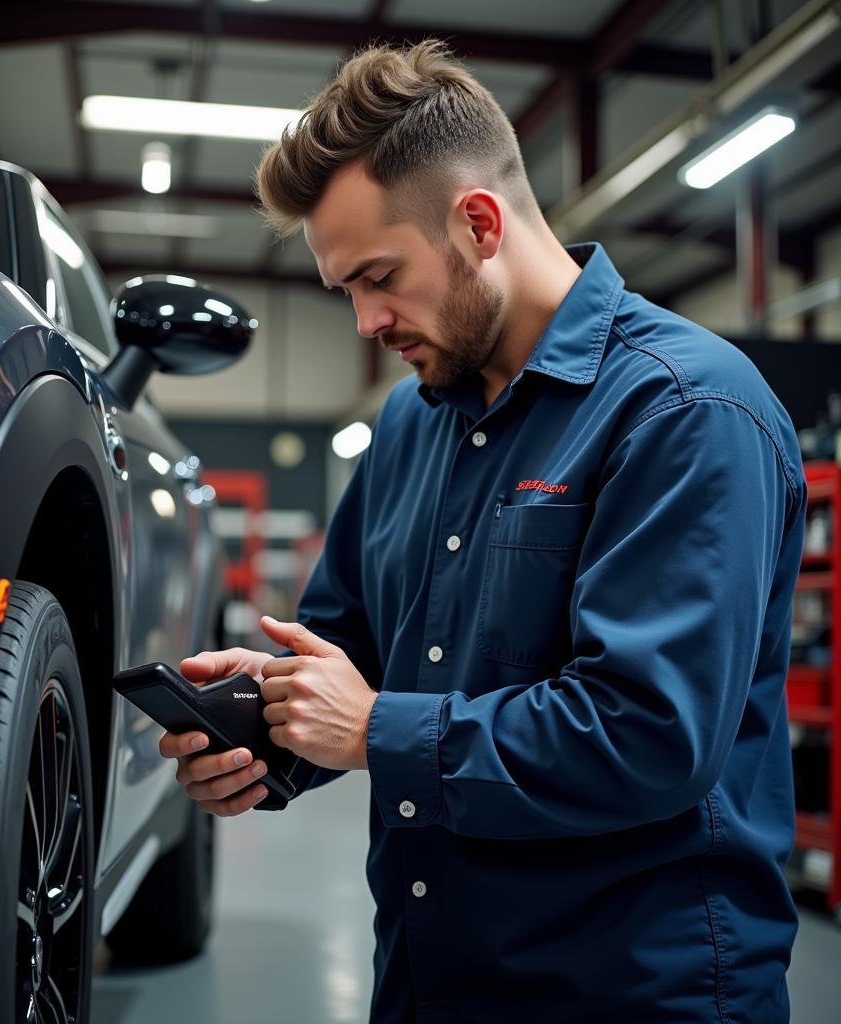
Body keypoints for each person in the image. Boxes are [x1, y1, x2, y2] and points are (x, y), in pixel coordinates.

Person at [159, 39, 807, 1023]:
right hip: (427, 975)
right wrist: (265, 734)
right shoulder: (411, 421)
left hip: (626, 991)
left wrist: (374, 727)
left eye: (380, 276)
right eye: (347, 291)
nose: (368, 322)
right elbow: (353, 648)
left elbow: (649, 733)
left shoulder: (686, 411)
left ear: (477, 221)